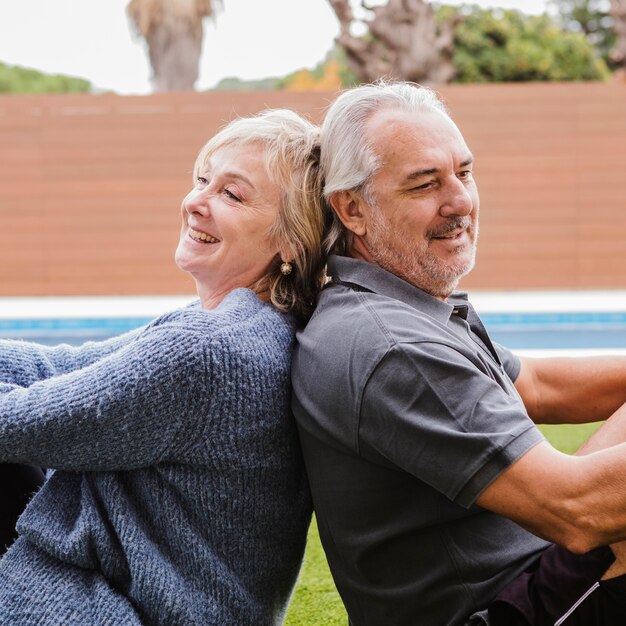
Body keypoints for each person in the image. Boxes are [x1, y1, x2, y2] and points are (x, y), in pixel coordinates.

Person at [291, 81, 626, 626]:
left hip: (528, 571)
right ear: (351, 208)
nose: (461, 201)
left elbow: (537, 385)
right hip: (496, 610)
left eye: (464, 173)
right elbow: (578, 509)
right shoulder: (390, 345)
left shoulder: (397, 303)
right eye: (425, 184)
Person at [0, 108, 325, 625]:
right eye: (202, 180)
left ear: (291, 241)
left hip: (93, 606)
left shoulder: (211, 351)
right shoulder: (250, 326)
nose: (195, 202)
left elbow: (20, 422)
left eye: (231, 194)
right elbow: (62, 366)